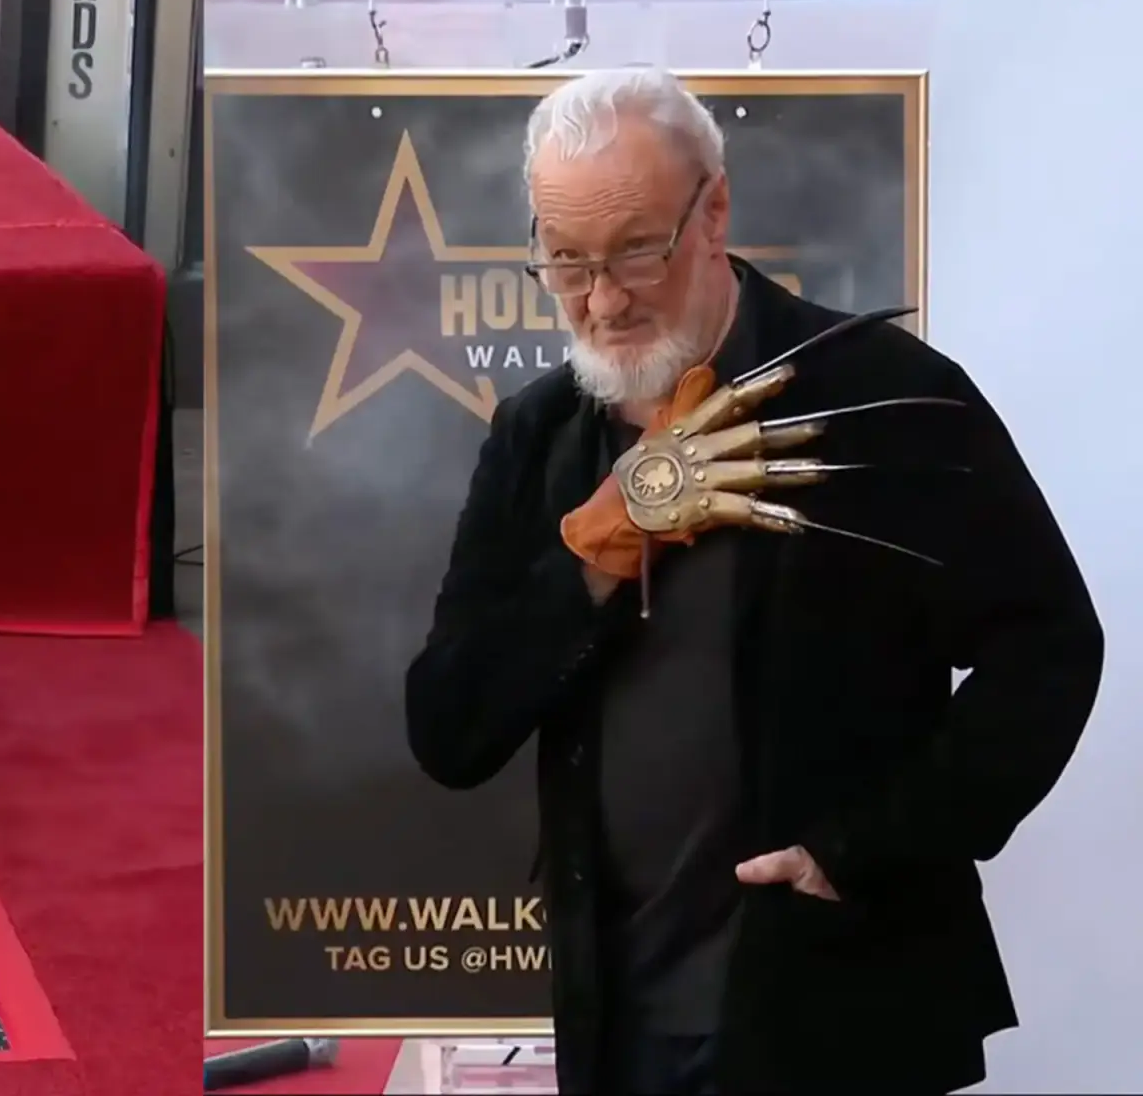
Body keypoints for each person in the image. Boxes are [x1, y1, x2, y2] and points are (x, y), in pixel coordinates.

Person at [404, 68, 1102, 1095]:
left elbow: (1048, 649)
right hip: (621, 1017)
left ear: (714, 210)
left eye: (637, 251)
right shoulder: (539, 436)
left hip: (843, 1010)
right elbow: (451, 728)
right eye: (565, 263)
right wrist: (598, 551)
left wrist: (861, 849)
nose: (601, 300)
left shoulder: (892, 398)